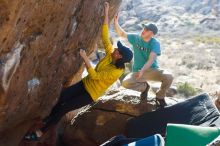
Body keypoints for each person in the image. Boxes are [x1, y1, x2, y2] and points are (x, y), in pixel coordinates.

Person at [24, 2, 133, 141]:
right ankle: (48, 120)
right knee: (61, 99)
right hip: (84, 84)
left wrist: (85, 58)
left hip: (90, 94)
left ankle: (40, 132)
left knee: (64, 108)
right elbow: (105, 35)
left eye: (118, 50)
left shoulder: (116, 72)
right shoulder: (110, 54)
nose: (115, 49)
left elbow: (94, 76)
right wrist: (106, 13)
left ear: (120, 57)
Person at [114, 13, 173, 107]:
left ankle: (160, 96)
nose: (143, 31)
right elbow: (121, 33)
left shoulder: (155, 43)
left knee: (169, 77)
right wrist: (116, 22)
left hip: (152, 70)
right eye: (143, 28)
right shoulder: (136, 38)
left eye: (146, 30)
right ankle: (145, 87)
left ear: (152, 34)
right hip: (137, 71)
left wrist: (142, 71)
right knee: (125, 83)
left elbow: (151, 59)